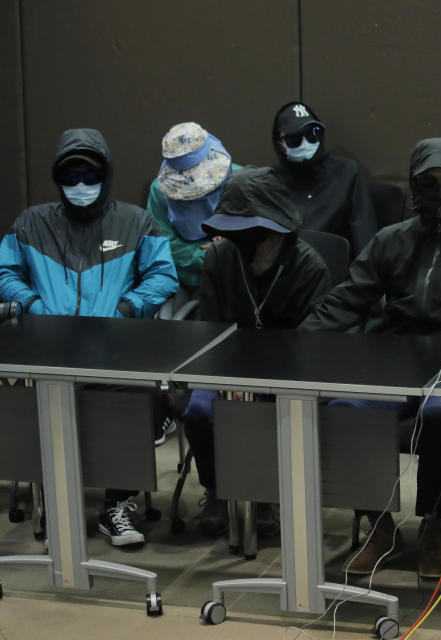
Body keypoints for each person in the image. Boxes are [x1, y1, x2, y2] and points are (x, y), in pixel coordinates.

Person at [300, 137, 441, 577]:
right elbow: (348, 300)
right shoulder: (392, 240)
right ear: (414, 184)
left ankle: (432, 527)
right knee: (349, 408)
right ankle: (381, 527)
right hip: (394, 357)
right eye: (428, 182)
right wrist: (293, 345)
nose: (439, 191)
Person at [0, 128, 179, 546]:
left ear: (106, 175)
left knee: (141, 399)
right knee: (23, 402)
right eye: (71, 179)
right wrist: (31, 303)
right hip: (45, 350)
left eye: (89, 177)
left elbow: (163, 274)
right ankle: (51, 499)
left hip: (115, 350)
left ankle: (116, 505)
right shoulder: (30, 223)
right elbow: (5, 272)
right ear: (58, 180)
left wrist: (128, 308)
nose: (81, 187)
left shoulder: (136, 222)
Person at [180, 166, 332, 536]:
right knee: (199, 408)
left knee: (271, 411)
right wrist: (228, 378)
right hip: (227, 368)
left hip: (288, 375)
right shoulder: (219, 259)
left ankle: (268, 497)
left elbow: (315, 345)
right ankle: (217, 489)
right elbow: (210, 330)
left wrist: (262, 383)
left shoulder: (309, 266)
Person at [272, 101, 377, 257]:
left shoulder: (347, 174)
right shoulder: (271, 181)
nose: (306, 143)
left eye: (312, 134)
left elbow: (365, 242)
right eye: (294, 139)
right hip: (288, 273)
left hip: (336, 274)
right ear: (279, 143)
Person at [145, 122, 241, 292]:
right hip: (185, 282)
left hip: (238, 278)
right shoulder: (159, 192)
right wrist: (210, 255)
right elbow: (164, 245)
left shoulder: (241, 180)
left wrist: (231, 245)